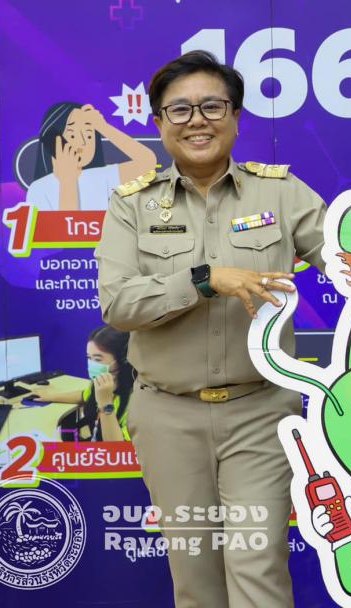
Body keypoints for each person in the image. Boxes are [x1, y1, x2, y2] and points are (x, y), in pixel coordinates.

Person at [96, 50, 330, 608]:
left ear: (236, 117)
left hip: (259, 412)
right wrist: (204, 280)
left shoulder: (281, 193)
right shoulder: (132, 205)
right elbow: (119, 304)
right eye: (179, 110)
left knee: (258, 565)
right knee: (195, 576)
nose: (196, 121)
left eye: (212, 106)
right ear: (159, 123)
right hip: (168, 416)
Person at [25, 102, 157, 211]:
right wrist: (68, 182)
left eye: (89, 135)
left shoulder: (104, 176)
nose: (83, 142)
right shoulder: (39, 189)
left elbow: (148, 163)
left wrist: (103, 127)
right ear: (52, 141)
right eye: (72, 135)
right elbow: (65, 229)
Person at [28, 325, 135, 441]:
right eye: (89, 358)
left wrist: (105, 403)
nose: (92, 364)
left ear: (122, 360)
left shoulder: (137, 399)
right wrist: (50, 396)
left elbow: (116, 449)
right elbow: (84, 395)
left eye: (98, 359)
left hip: (111, 451)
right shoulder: (100, 382)